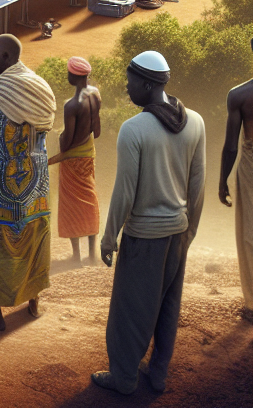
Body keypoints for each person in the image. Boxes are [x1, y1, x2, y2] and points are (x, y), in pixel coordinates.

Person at [92, 51, 206, 395]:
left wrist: (109, 237)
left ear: (146, 83)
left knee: (129, 311)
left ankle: (124, 378)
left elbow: (124, 192)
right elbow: (197, 185)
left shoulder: (134, 129)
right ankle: (158, 374)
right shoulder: (196, 122)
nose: (127, 88)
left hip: (144, 236)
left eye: (130, 82)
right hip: (177, 232)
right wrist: (190, 231)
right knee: (168, 305)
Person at [0, 34, 56, 331]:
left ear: (5, 57)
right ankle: (33, 303)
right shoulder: (40, 89)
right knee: (34, 243)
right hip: (37, 188)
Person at [50, 57, 101, 265]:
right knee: (89, 200)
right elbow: (96, 131)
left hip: (72, 161)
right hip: (88, 155)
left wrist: (61, 137)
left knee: (71, 205)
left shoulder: (71, 105)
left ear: (74, 76)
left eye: (69, 73)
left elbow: (67, 144)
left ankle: (77, 256)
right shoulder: (96, 94)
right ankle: (92, 254)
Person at [219, 39, 253, 323]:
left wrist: (222, 180)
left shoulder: (240, 95)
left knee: (249, 233)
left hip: (251, 167)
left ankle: (252, 303)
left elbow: (231, 146)